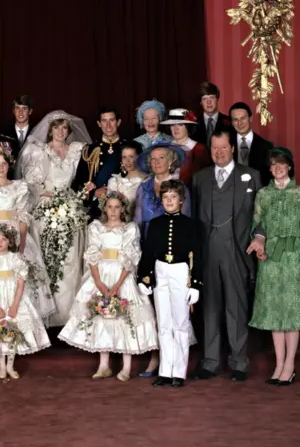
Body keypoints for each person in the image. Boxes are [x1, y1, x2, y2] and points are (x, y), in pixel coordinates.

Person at [59, 192, 158, 381]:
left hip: (122, 275)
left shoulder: (129, 229)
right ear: (104, 208)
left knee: (123, 317)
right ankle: (104, 365)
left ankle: (126, 367)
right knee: (101, 317)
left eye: (117, 207)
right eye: (110, 207)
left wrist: (118, 285)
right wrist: (98, 282)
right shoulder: (96, 227)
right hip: (101, 275)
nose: (113, 211)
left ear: (123, 209)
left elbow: (130, 257)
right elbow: (92, 255)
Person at [190, 129, 262, 382]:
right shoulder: (200, 178)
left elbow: (261, 216)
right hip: (208, 251)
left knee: (236, 307)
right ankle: (210, 361)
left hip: (238, 251)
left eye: (223, 147)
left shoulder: (251, 177)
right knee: (209, 308)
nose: (219, 153)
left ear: (233, 148)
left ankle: (239, 362)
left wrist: (259, 238)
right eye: (214, 148)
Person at [248, 147, 300, 386]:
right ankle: (278, 364)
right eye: (273, 165)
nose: (277, 168)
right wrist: (259, 243)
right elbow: (257, 225)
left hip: (294, 256)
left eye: (281, 164)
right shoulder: (263, 194)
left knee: (292, 312)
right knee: (274, 313)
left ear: (289, 166)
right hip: (270, 259)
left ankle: (290, 365)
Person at [19, 110, 91, 327]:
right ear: (50, 129)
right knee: (45, 259)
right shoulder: (37, 151)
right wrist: (43, 191)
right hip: (45, 209)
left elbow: (84, 177)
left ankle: (69, 316)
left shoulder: (77, 151)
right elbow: (29, 182)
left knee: (70, 261)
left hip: (70, 207)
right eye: (56, 127)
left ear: (69, 131)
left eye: (64, 128)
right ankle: (47, 316)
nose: (60, 131)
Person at [0, 143, 55, 318]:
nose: (1, 167)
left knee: (20, 272)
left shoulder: (19, 186)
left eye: (4, 163)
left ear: (9, 165)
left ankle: (22, 317)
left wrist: (22, 244)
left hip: (15, 233)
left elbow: (23, 217)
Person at [137, 180, 203, 387]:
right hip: (160, 271)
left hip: (180, 271)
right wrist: (143, 277)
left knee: (181, 324)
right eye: (165, 197)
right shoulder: (155, 224)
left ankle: (179, 372)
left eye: (173, 197)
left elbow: (197, 255)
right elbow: (148, 252)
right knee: (164, 323)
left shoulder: (192, 225)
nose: (169, 201)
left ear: (181, 200)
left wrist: (195, 284)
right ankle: (165, 371)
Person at [0, 224, 51, 379]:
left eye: (4, 239)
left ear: (10, 242)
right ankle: (2, 366)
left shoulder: (16, 259)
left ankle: (10, 365)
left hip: (13, 297)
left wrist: (15, 305)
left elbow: (20, 285)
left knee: (14, 329)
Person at [72, 106, 131, 220]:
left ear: (118, 122)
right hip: (97, 209)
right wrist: (93, 193)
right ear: (99, 124)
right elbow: (78, 183)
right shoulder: (89, 150)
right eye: (104, 121)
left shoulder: (130, 147)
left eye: (112, 120)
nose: (108, 125)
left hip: (124, 208)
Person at [135, 142, 189, 242]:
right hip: (147, 241)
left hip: (172, 241)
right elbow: (138, 220)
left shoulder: (181, 188)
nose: (156, 162)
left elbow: (185, 221)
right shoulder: (143, 187)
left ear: (170, 162)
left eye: (161, 158)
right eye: (153, 159)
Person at [229, 102, 274, 186]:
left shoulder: (266, 146)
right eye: (235, 119)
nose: (240, 123)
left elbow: (269, 178)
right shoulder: (226, 145)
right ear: (232, 122)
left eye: (243, 118)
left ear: (250, 118)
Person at [161, 108, 211, 183]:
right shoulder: (165, 147)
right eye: (172, 125)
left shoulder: (199, 149)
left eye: (180, 125)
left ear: (188, 127)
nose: (176, 128)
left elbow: (205, 178)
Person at [107, 142, 146, 217]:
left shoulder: (147, 180)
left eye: (131, 157)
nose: (127, 161)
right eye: (124, 157)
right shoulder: (115, 181)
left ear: (139, 157)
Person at [194, 82, 231, 151]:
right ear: (200, 102)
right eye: (205, 99)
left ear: (217, 99)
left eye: (212, 98)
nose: (209, 102)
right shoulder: (193, 125)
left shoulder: (229, 122)